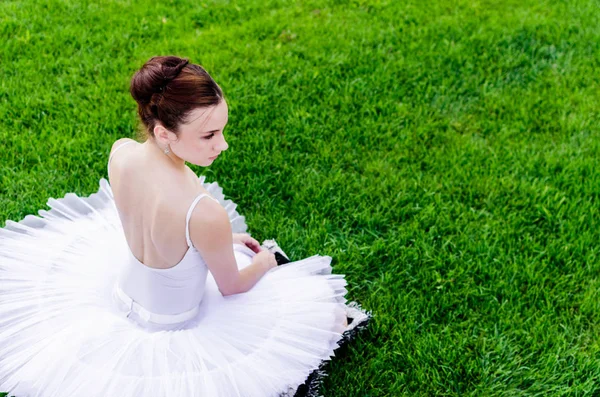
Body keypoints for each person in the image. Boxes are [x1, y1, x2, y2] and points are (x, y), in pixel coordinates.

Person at [0, 55, 370, 397]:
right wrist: (267, 260)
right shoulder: (203, 213)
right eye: (209, 136)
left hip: (126, 292)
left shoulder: (122, 152)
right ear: (165, 134)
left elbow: (157, 224)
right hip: (176, 319)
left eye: (222, 130)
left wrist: (228, 240)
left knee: (234, 250)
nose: (222, 145)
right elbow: (233, 288)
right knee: (310, 314)